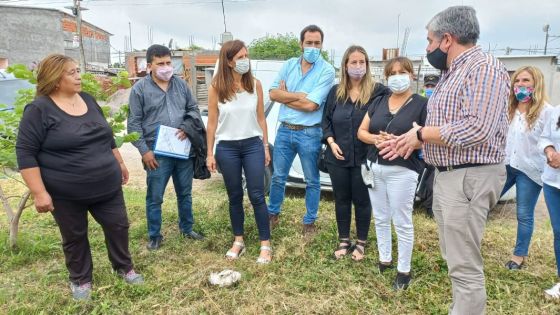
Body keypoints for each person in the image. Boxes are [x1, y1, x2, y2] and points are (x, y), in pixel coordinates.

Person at [383, 6, 510, 313]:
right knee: (456, 257)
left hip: (469, 176)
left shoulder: (483, 68)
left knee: (464, 266)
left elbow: (477, 127)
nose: (427, 48)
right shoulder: (452, 72)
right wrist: (414, 140)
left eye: (429, 40)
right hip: (451, 174)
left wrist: (423, 135)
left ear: (447, 39)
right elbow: (449, 126)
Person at [16, 54, 143, 301]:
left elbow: (106, 136)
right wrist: (39, 192)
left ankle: (124, 267)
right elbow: (26, 153)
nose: (78, 76)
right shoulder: (39, 110)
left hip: (107, 185)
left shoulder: (87, 99)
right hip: (66, 193)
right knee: (74, 236)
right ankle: (81, 280)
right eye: (72, 72)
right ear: (54, 79)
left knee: (118, 226)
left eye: (78, 71)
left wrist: (120, 162)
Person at [357, 57, 427, 289]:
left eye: (402, 72)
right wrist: (376, 139)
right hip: (375, 168)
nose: (398, 76)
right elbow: (362, 132)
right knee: (381, 216)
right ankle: (384, 258)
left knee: (402, 220)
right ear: (386, 77)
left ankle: (403, 271)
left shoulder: (422, 104)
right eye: (393, 73)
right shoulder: (379, 101)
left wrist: (405, 141)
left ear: (411, 75)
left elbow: (426, 139)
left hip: (402, 171)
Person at [128, 44, 206, 250]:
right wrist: (144, 151)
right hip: (156, 153)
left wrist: (186, 127)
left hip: (182, 150)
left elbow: (193, 110)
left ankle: (187, 229)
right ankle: (155, 235)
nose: (166, 67)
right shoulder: (139, 89)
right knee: (155, 197)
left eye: (169, 63)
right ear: (150, 65)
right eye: (160, 63)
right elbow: (133, 124)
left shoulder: (181, 85)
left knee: (185, 194)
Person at [206, 40, 272, 264]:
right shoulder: (216, 87)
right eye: (240, 57)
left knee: (256, 195)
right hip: (227, 148)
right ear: (228, 61)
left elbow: (261, 118)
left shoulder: (255, 84)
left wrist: (265, 146)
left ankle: (265, 244)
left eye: (246, 56)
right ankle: (238, 241)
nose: (245, 60)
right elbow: (212, 124)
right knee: (234, 196)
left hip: (252, 145)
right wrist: (209, 153)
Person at [267, 24, 335, 235]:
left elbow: (312, 106)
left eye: (317, 43)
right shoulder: (288, 65)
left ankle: (309, 222)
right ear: (301, 44)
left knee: (312, 180)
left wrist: (286, 96)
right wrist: (300, 95)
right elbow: (272, 93)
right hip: (285, 131)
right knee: (278, 177)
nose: (313, 47)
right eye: (309, 43)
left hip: (310, 133)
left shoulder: (327, 70)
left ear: (322, 45)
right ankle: (272, 214)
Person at [322, 45, 388, 261]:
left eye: (362, 62)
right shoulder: (336, 92)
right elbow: (326, 121)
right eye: (354, 62)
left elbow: (391, 111)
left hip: (364, 157)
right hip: (337, 157)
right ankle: (343, 240)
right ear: (345, 65)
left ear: (367, 65)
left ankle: (361, 242)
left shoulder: (378, 91)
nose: (358, 66)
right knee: (341, 199)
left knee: (362, 200)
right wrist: (331, 142)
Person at [501, 66, 552, 270]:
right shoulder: (508, 109)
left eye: (525, 81)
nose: (520, 85)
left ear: (536, 84)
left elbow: (550, 141)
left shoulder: (546, 113)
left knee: (523, 214)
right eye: (517, 81)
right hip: (506, 165)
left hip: (529, 170)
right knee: (483, 203)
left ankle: (518, 256)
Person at [539, 105, 560, 298]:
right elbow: (545, 137)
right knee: (559, 232)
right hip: (553, 181)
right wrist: (550, 151)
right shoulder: (556, 111)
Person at [415, 74, 440, 217]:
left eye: (433, 86)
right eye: (428, 86)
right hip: (418, 151)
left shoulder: (442, 106)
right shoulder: (420, 103)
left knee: (432, 182)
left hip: (434, 150)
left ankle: (430, 209)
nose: (430, 89)